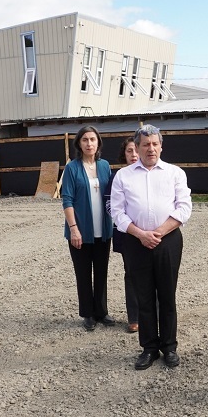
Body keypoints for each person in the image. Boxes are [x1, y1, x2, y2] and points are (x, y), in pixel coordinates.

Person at [110, 124, 192, 370]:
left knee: (167, 295)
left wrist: (158, 232)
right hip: (136, 242)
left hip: (167, 241)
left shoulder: (175, 173)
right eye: (145, 144)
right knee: (144, 296)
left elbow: (184, 207)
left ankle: (169, 347)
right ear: (137, 147)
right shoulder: (123, 176)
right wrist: (140, 234)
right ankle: (148, 348)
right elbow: (117, 212)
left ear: (161, 146)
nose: (151, 148)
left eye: (155, 144)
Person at [63, 125, 115, 331]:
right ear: (79, 143)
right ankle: (88, 314)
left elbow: (112, 195)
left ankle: (102, 311)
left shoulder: (105, 166)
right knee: (83, 273)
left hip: (103, 229)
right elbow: (67, 200)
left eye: (92, 139)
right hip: (80, 231)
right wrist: (74, 228)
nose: (89, 143)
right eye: (85, 140)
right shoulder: (72, 168)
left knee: (101, 271)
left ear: (98, 142)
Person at [112, 138, 141, 334]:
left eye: (136, 150)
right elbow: (112, 205)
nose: (133, 155)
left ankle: (153, 314)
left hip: (152, 233)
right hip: (126, 233)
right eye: (129, 151)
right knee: (131, 274)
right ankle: (134, 317)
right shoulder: (119, 177)